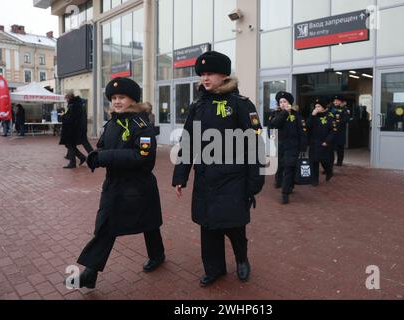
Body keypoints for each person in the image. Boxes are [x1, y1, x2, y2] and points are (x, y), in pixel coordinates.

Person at [172, 51, 265, 287]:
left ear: (224, 75)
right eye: (202, 74)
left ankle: (242, 260)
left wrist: (255, 181)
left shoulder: (241, 104)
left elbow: (255, 143)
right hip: (205, 178)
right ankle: (214, 269)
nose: (205, 78)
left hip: (234, 179)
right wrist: (180, 175)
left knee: (234, 226)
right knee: (208, 227)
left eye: (210, 73)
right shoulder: (197, 105)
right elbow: (188, 141)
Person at [65, 77, 165, 289]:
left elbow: (145, 158)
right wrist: (96, 156)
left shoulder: (142, 124)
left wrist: (105, 157)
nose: (117, 101)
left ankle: (157, 255)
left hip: (138, 188)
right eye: (114, 98)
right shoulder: (112, 123)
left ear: (133, 100)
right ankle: (90, 274)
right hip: (114, 186)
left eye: (122, 97)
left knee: (149, 223)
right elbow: (102, 147)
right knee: (105, 227)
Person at [269, 91, 308, 204]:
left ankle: (285, 193)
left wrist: (303, 148)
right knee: (281, 166)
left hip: (293, 147)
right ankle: (284, 184)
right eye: (280, 102)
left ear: (290, 103)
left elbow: (303, 132)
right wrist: (284, 113)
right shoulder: (276, 114)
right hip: (281, 146)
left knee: (289, 168)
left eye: (285, 101)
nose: (282, 104)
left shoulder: (297, 116)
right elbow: (274, 125)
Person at [307, 99, 337, 186]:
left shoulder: (329, 117)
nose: (316, 108)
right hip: (314, 143)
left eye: (319, 106)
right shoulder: (313, 116)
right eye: (315, 107)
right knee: (314, 162)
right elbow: (307, 126)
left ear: (324, 108)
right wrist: (312, 115)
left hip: (324, 143)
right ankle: (314, 180)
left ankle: (329, 171)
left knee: (325, 161)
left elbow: (333, 131)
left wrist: (327, 141)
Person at [59, 91, 86, 168]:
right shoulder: (75, 105)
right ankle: (81, 158)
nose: (66, 100)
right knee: (70, 146)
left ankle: (73, 162)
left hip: (72, 130)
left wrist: (63, 116)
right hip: (74, 129)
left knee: (70, 145)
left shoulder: (73, 106)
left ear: (69, 98)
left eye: (66, 98)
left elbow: (71, 119)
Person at [329, 96, 351, 166]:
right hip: (331, 132)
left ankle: (339, 162)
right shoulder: (331, 108)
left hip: (340, 132)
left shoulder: (345, 109)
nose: (335, 102)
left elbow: (346, 119)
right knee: (330, 148)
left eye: (337, 100)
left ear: (341, 102)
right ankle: (330, 162)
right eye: (334, 100)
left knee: (340, 148)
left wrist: (336, 122)